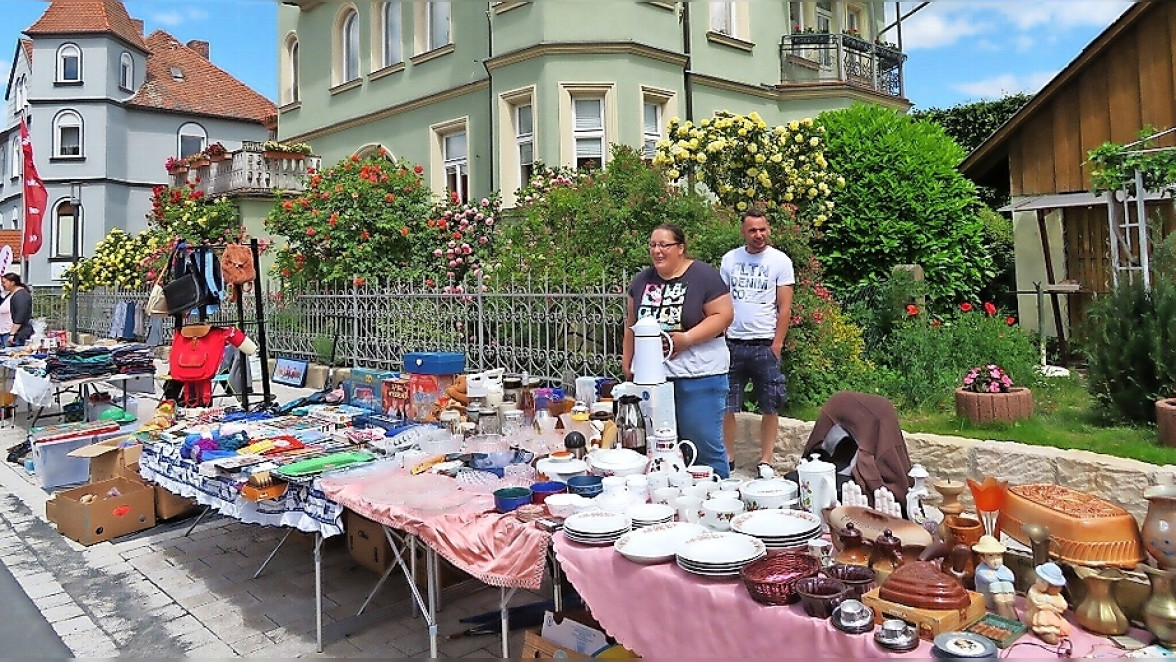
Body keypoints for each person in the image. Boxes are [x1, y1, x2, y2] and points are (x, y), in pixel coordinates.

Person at [623, 223, 734, 478]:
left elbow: (723, 315)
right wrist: (627, 360)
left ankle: (719, 500)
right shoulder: (641, 281)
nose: (657, 251)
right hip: (654, 380)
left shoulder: (704, 276)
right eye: (652, 245)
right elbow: (631, 325)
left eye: (664, 245)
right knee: (659, 448)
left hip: (699, 376)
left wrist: (686, 339)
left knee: (702, 444)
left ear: (681, 248)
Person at [719, 207, 794, 477]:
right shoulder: (730, 260)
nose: (758, 234)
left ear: (768, 229)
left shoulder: (780, 261)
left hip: (764, 344)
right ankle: (727, 457)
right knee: (726, 404)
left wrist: (777, 345)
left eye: (762, 229)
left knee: (770, 404)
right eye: (752, 230)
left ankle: (766, 460)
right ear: (743, 231)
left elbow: (784, 308)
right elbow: (721, 301)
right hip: (733, 343)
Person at [972, 535, 1018, 621]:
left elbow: (1011, 577)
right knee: (995, 585)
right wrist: (1001, 577)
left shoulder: (1003, 568)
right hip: (989, 599)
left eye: (998, 556)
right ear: (983, 558)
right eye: (990, 556)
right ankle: (1004, 616)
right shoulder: (980, 570)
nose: (996, 560)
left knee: (1007, 584)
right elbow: (990, 579)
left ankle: (1012, 613)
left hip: (1005, 596)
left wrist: (999, 577)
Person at [1025, 562, 1070, 645]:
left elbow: (1063, 605)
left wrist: (1053, 606)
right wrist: (1052, 605)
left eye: (1059, 586)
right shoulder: (1034, 591)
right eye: (1055, 586)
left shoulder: (1056, 595)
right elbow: (1039, 603)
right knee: (1044, 614)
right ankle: (1042, 631)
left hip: (1054, 617)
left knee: (1065, 628)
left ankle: (1052, 630)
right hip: (1035, 616)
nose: (1058, 589)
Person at [0, 273, 33, 347]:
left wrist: (12, 334)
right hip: (4, 332)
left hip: (14, 334)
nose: (2, 284)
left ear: (12, 283)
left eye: (4, 282)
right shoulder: (10, 294)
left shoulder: (21, 296)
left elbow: (20, 315)